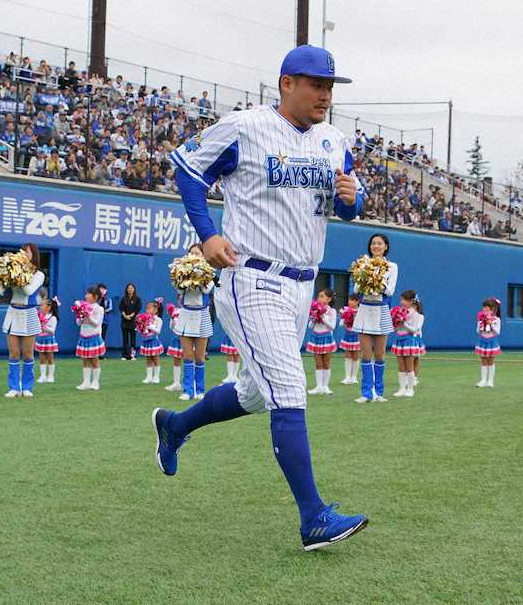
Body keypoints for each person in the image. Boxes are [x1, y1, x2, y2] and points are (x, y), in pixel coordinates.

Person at [151, 44, 369, 550]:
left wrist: (353, 200)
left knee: (253, 393)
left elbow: (353, 203)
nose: (325, 94)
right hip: (251, 277)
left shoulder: (334, 141)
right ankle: (313, 517)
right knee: (290, 389)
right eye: (316, 84)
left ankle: (175, 425)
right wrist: (206, 233)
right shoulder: (245, 127)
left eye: (331, 86)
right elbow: (187, 169)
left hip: (301, 285)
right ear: (286, 83)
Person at [353, 234, 398, 403]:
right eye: (373, 243)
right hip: (365, 309)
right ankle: (366, 393)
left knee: (379, 355)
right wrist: (367, 277)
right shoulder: (363, 263)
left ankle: (379, 392)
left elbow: (390, 290)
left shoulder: (391, 266)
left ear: (386, 246)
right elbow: (357, 287)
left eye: (380, 243)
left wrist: (376, 281)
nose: (376, 246)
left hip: (382, 310)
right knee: (365, 355)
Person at [0, 243, 44, 398]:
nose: (24, 253)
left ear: (34, 254)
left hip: (29, 314)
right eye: (22, 251)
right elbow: (1, 289)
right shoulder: (15, 269)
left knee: (28, 353)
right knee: (13, 353)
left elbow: (28, 291)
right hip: (13, 312)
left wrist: (18, 274)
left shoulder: (38, 274)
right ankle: (14, 387)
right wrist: (5, 274)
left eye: (27, 251)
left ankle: (27, 387)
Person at [172, 244, 214, 401]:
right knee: (188, 355)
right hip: (186, 314)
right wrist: (184, 276)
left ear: (203, 256)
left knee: (200, 356)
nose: (194, 256)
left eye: (197, 253)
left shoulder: (209, 274)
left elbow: (207, 290)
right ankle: (187, 390)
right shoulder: (181, 272)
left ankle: (200, 389)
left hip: (202, 315)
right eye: (191, 253)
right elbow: (178, 290)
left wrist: (198, 275)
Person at [391, 290, 425, 397]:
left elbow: (415, 329)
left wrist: (403, 323)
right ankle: (401, 389)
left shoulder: (418, 315)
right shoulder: (400, 312)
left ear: (412, 301)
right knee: (401, 366)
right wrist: (395, 324)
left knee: (409, 366)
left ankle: (410, 389)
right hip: (400, 340)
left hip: (410, 341)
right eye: (401, 299)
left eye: (404, 300)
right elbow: (396, 329)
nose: (402, 302)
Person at [305, 288, 338, 396]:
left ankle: (325, 386)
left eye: (322, 296)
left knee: (326, 362)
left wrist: (323, 317)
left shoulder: (331, 311)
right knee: (318, 363)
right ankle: (319, 387)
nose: (319, 298)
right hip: (316, 337)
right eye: (319, 296)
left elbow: (332, 326)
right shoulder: (314, 309)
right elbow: (310, 326)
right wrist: (314, 318)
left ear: (328, 299)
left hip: (326, 338)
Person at [76, 286, 106, 391]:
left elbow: (97, 323)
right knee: (85, 360)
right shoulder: (83, 307)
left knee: (94, 360)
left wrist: (88, 315)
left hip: (94, 336)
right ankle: (86, 382)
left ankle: (95, 382)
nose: (86, 296)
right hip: (84, 336)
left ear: (95, 296)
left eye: (88, 294)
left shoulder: (99, 308)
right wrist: (80, 316)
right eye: (86, 293)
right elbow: (78, 323)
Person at [475, 297, 502, 388]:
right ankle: (483, 380)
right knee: (483, 360)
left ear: (493, 309)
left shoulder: (497, 319)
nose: (485, 310)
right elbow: (478, 331)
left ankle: (490, 381)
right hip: (482, 340)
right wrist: (480, 324)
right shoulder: (481, 318)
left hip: (492, 341)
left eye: (487, 308)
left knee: (491, 360)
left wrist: (491, 324)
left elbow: (497, 332)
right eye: (484, 308)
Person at [139, 299, 164, 385]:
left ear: (156, 310)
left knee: (156, 359)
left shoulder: (158, 320)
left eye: (149, 308)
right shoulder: (145, 319)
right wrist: (141, 328)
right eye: (147, 308)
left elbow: (158, 331)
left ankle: (156, 377)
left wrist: (150, 326)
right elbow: (142, 330)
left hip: (154, 341)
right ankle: (149, 377)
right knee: (148, 359)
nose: (147, 310)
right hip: (146, 341)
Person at [337, 294, 361, 384]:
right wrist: (346, 320)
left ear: (357, 302)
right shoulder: (346, 310)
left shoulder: (360, 311)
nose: (350, 302)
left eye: (353, 300)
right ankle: (347, 377)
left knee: (355, 356)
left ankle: (354, 377)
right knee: (348, 356)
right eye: (349, 300)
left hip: (357, 336)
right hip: (347, 335)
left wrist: (354, 319)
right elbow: (341, 324)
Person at [35, 298, 59, 384]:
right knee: (42, 358)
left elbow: (52, 331)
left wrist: (44, 326)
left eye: (42, 305)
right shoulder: (40, 316)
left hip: (49, 339)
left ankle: (51, 376)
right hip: (41, 338)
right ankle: (43, 376)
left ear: (49, 307)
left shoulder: (53, 318)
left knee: (50, 358)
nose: (41, 307)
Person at [164, 303, 184, 392]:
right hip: (178, 338)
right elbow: (171, 327)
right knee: (176, 360)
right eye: (180, 298)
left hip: (189, 338)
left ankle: (192, 383)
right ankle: (176, 383)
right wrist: (173, 318)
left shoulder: (190, 311)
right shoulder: (176, 311)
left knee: (190, 360)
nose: (181, 300)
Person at [119, 282, 141, 361]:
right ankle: (125, 355)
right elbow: (121, 308)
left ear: (134, 289)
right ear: (126, 289)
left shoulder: (137, 299)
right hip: (124, 321)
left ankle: (132, 355)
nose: (130, 289)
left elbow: (137, 309)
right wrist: (125, 315)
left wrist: (131, 316)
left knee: (133, 339)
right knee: (125, 339)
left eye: (131, 288)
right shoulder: (124, 299)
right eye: (129, 288)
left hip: (133, 321)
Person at [97, 283, 113, 359]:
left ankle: (101, 354)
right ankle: (95, 353)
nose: (102, 291)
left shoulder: (108, 299)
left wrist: (103, 310)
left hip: (104, 321)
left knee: (102, 337)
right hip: (96, 321)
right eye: (100, 289)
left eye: (103, 290)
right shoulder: (96, 299)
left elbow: (110, 308)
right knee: (96, 337)